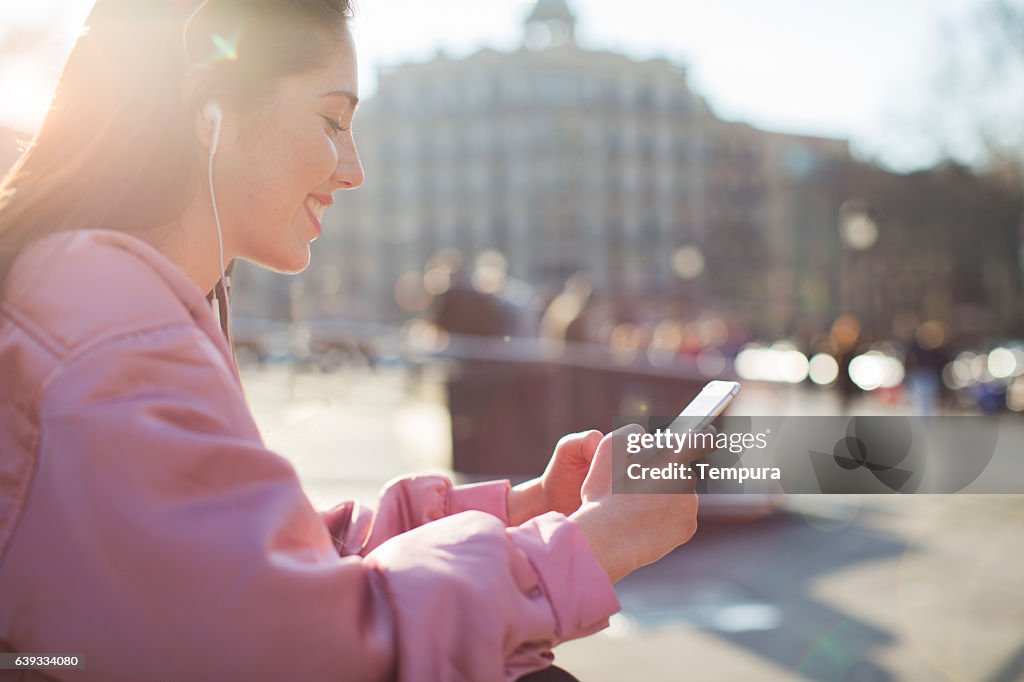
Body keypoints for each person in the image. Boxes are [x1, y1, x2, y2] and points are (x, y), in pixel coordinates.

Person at [0, 2, 705, 680]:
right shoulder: (108, 325)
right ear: (208, 112)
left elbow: (268, 562)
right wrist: (585, 550)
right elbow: (302, 651)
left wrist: (519, 511)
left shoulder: (95, 294)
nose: (354, 168)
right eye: (331, 120)